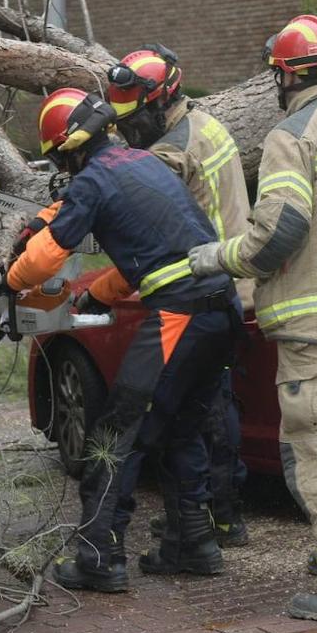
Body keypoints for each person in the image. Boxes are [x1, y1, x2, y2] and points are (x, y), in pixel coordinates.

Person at [188, 15, 317, 621]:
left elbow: (279, 230)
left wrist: (218, 256)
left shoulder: (293, 135)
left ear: (284, 74)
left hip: (316, 330)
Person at [0, 88, 241, 593]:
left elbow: (43, 260)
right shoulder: (144, 164)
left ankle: (99, 556)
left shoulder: (94, 181)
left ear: (70, 147)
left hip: (182, 314)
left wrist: (9, 280)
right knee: (180, 426)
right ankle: (192, 541)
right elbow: (156, 248)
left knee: (115, 434)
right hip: (220, 311)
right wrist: (101, 293)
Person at [106, 44, 252, 546]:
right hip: (227, 281)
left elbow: (143, 216)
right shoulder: (204, 126)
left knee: (201, 413)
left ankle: (214, 517)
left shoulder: (172, 152)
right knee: (213, 406)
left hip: (205, 286)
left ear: (162, 100)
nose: (130, 129)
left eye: (136, 117)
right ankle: (219, 515)